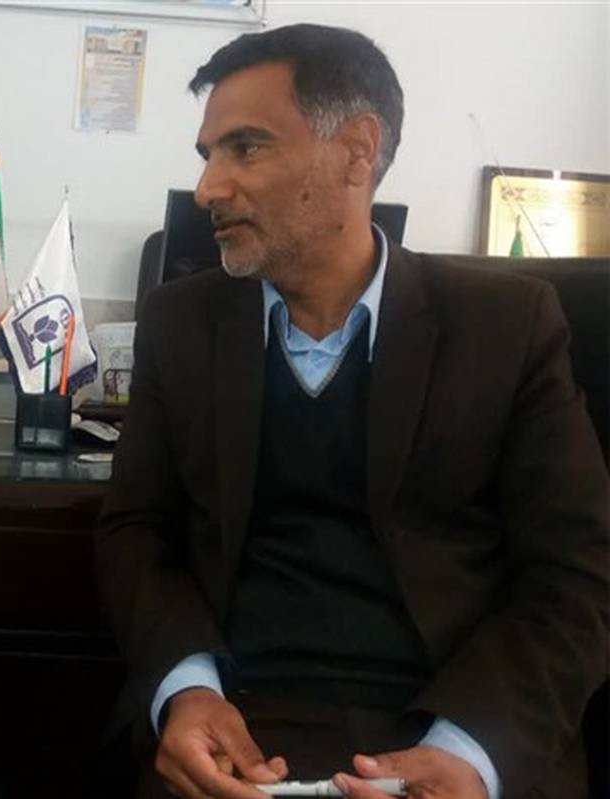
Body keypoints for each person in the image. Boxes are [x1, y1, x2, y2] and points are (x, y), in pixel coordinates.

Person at [95, 24, 608, 799]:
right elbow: (136, 530)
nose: (208, 189)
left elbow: (577, 573)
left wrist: (470, 751)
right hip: (239, 728)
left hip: (452, 716)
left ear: (358, 151)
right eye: (207, 155)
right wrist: (187, 688)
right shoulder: (182, 323)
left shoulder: (507, 326)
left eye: (245, 147)